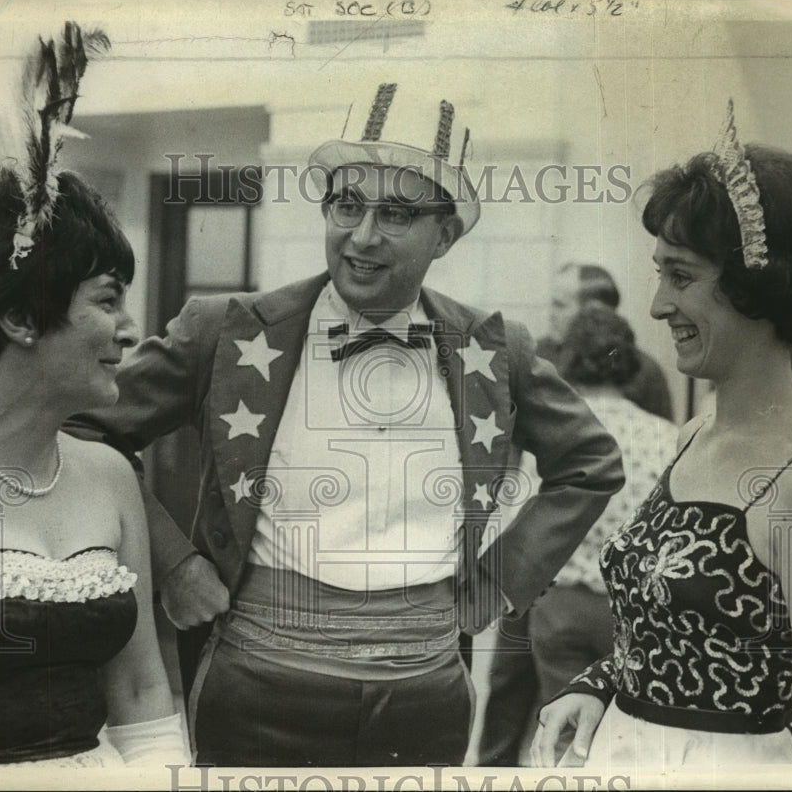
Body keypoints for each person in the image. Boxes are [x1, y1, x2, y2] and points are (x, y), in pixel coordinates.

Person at [70, 82, 625, 767]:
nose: (362, 236)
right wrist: (173, 563)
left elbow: (591, 462)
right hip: (255, 686)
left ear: (445, 234)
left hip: (425, 697)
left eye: (396, 212)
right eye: (346, 204)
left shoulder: (494, 347)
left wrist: (499, 582)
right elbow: (82, 429)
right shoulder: (225, 330)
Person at [531, 104, 792, 767]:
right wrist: (599, 687)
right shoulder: (693, 433)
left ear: (755, 286)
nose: (657, 305)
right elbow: (673, 633)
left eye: (679, 276)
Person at [0, 24, 186, 768]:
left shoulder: (109, 476)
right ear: (21, 316)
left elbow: (139, 692)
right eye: (107, 301)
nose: (131, 330)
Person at [477, 306, 678, 766]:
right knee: (628, 739)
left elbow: (529, 526)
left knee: (567, 738)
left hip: (562, 604)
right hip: (633, 613)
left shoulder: (561, 436)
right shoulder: (664, 435)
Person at [537, 262, 674, 422]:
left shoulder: (644, 371)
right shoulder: (536, 358)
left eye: (559, 305)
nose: (549, 314)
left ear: (595, 310)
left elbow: (662, 437)